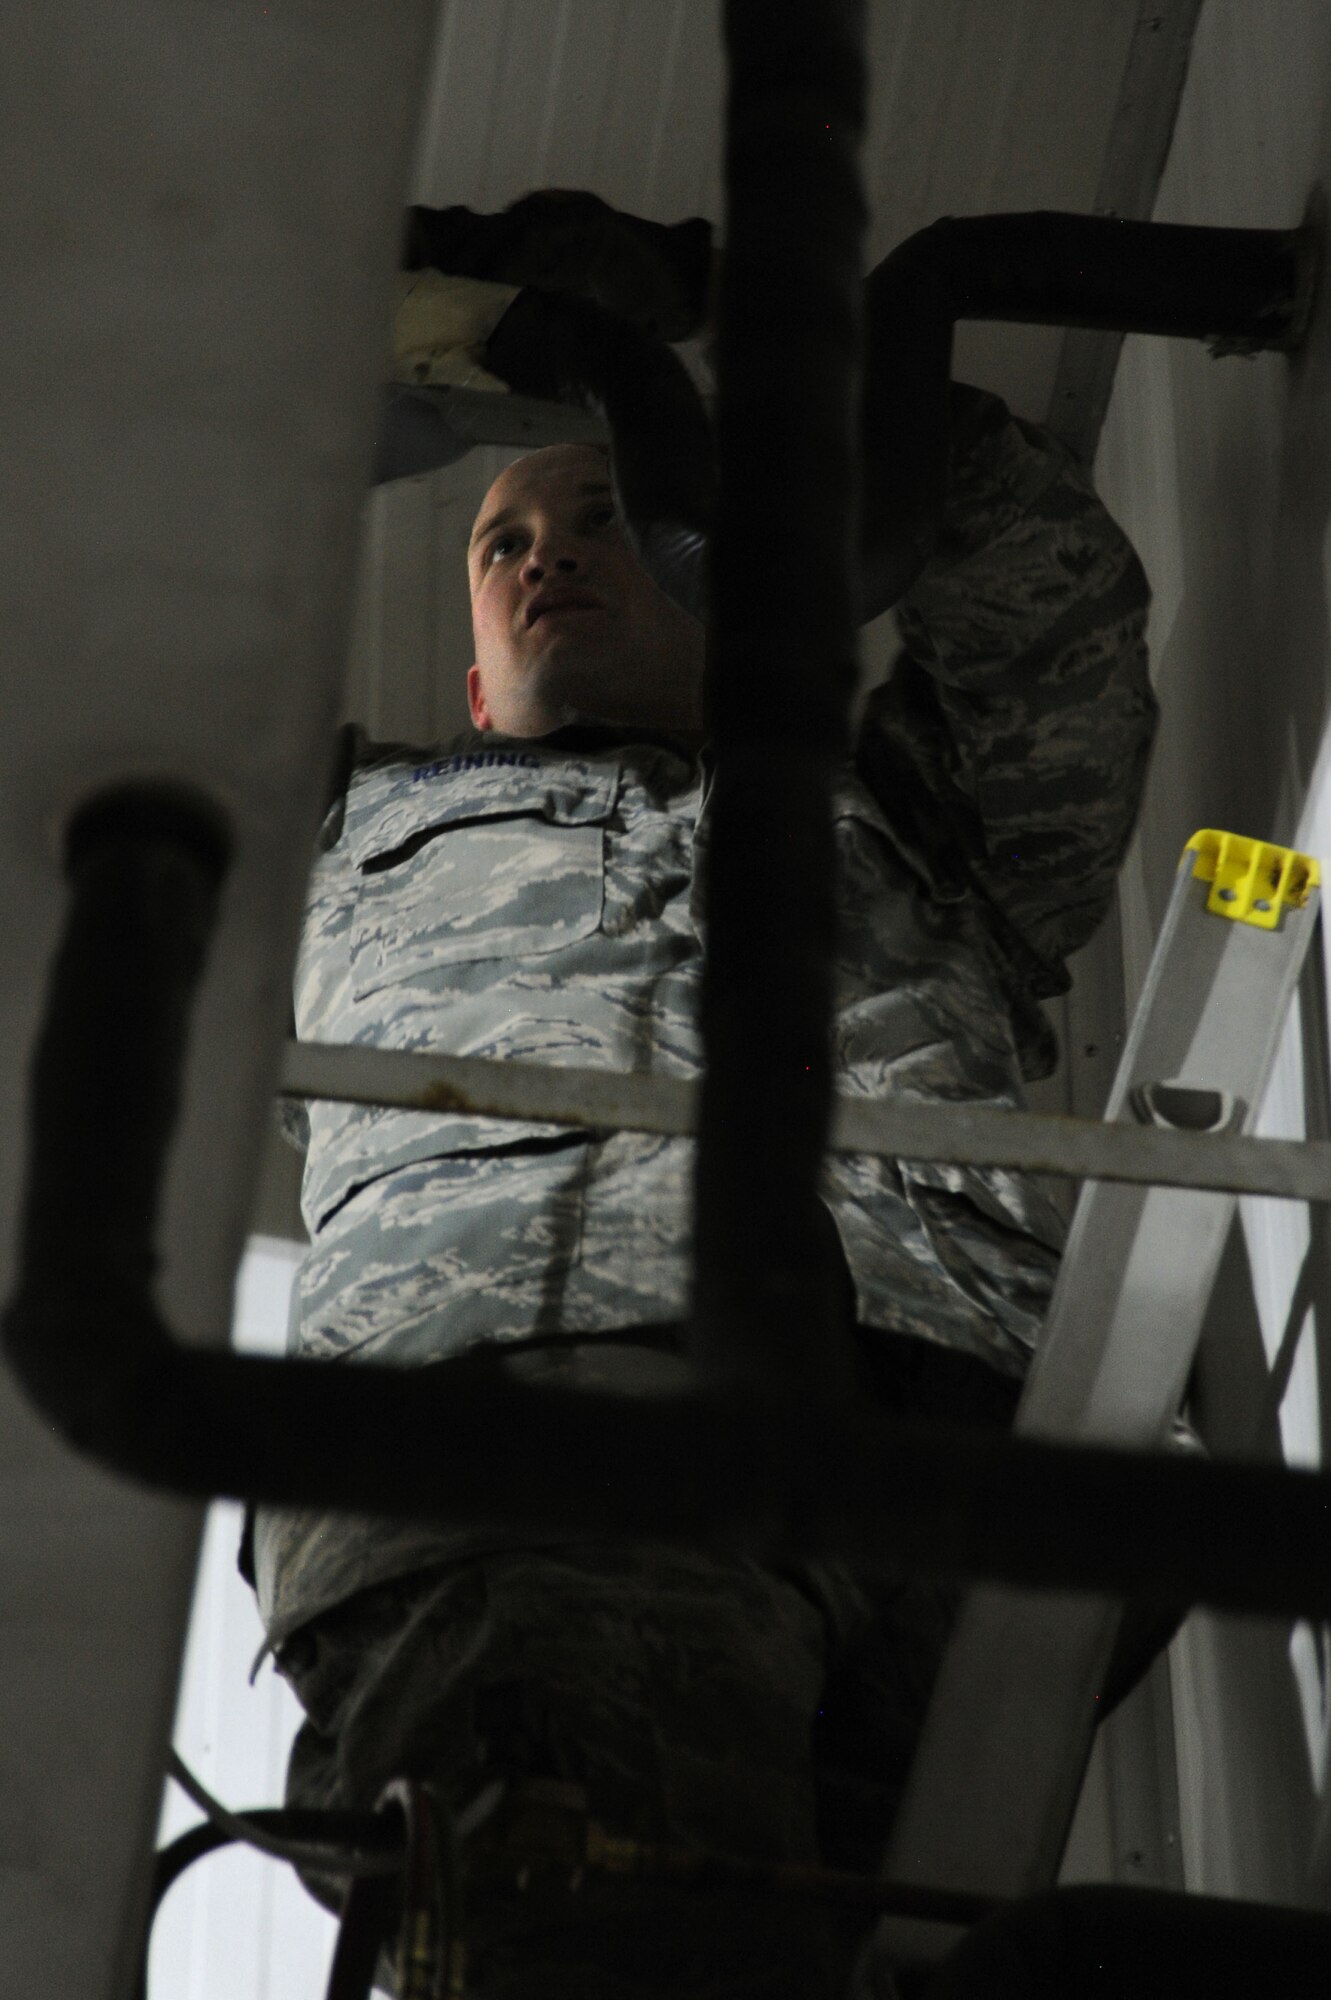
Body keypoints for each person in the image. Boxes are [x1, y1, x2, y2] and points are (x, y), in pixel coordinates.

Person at [242, 230, 1156, 1999]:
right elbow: (99, 642)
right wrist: (356, 356)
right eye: (501, 543)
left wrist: (798, 396)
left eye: (598, 512)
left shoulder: (916, 816)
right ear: (471, 670)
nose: (547, 555)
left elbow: (1047, 606)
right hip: (537, 1420)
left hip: (944, 1447)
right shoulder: (332, 830)